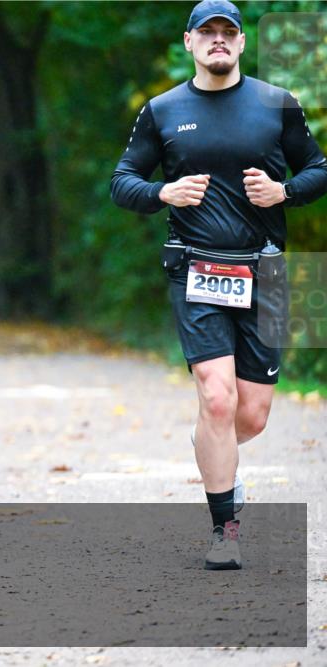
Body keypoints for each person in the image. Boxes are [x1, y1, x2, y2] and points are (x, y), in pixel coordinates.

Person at [110, 0, 327, 570]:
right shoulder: (162, 110)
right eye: (208, 33)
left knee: (249, 416)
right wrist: (163, 193)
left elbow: (319, 169)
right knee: (217, 396)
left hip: (267, 270)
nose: (219, 41)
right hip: (197, 269)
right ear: (189, 43)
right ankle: (224, 527)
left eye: (228, 33)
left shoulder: (276, 104)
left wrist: (286, 193)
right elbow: (122, 182)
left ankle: (214, 449)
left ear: (240, 43)